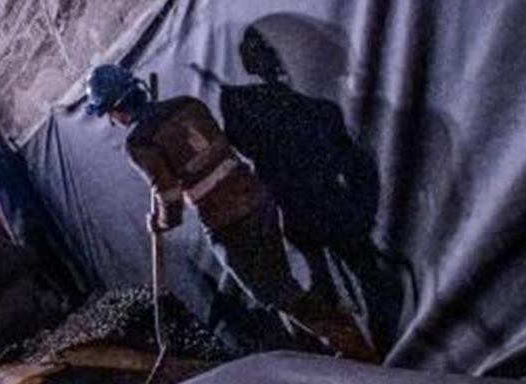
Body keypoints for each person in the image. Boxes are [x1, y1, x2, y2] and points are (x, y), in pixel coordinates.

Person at [85, 63, 376, 361]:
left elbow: (169, 198)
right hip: (258, 199)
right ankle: (318, 353)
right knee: (281, 282)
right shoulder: (188, 104)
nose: (112, 120)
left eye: (109, 112)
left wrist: (159, 223)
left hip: (228, 222)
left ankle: (349, 342)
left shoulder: (139, 143)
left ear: (117, 108)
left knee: (272, 292)